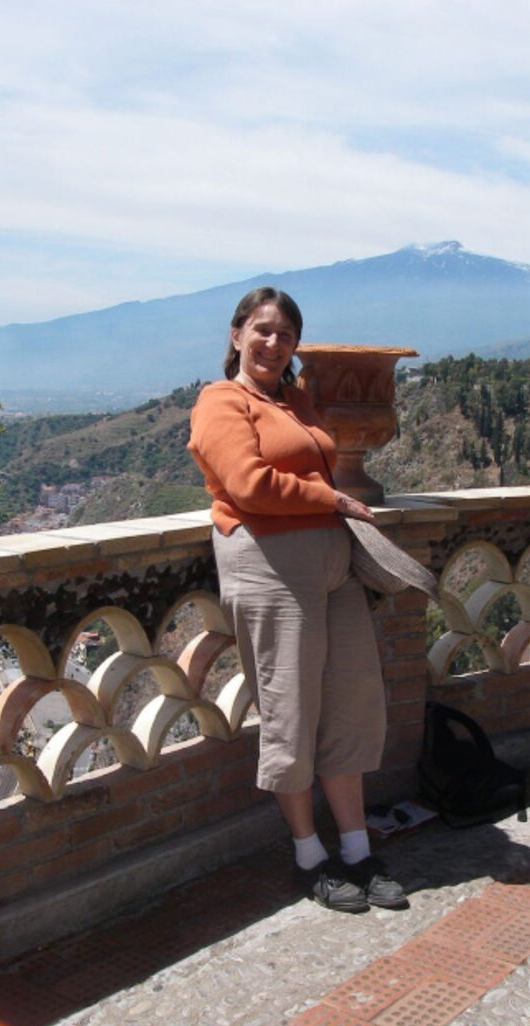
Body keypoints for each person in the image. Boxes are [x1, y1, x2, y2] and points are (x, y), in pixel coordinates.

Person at [188, 287, 407, 912]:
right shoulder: (220, 401)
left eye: (285, 335)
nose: (273, 343)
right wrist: (333, 500)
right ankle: (311, 857)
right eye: (262, 330)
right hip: (269, 567)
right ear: (236, 336)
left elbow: (312, 466)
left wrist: (332, 508)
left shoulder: (296, 399)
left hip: (332, 569)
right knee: (291, 711)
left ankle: (359, 850)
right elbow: (249, 485)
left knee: (351, 705)